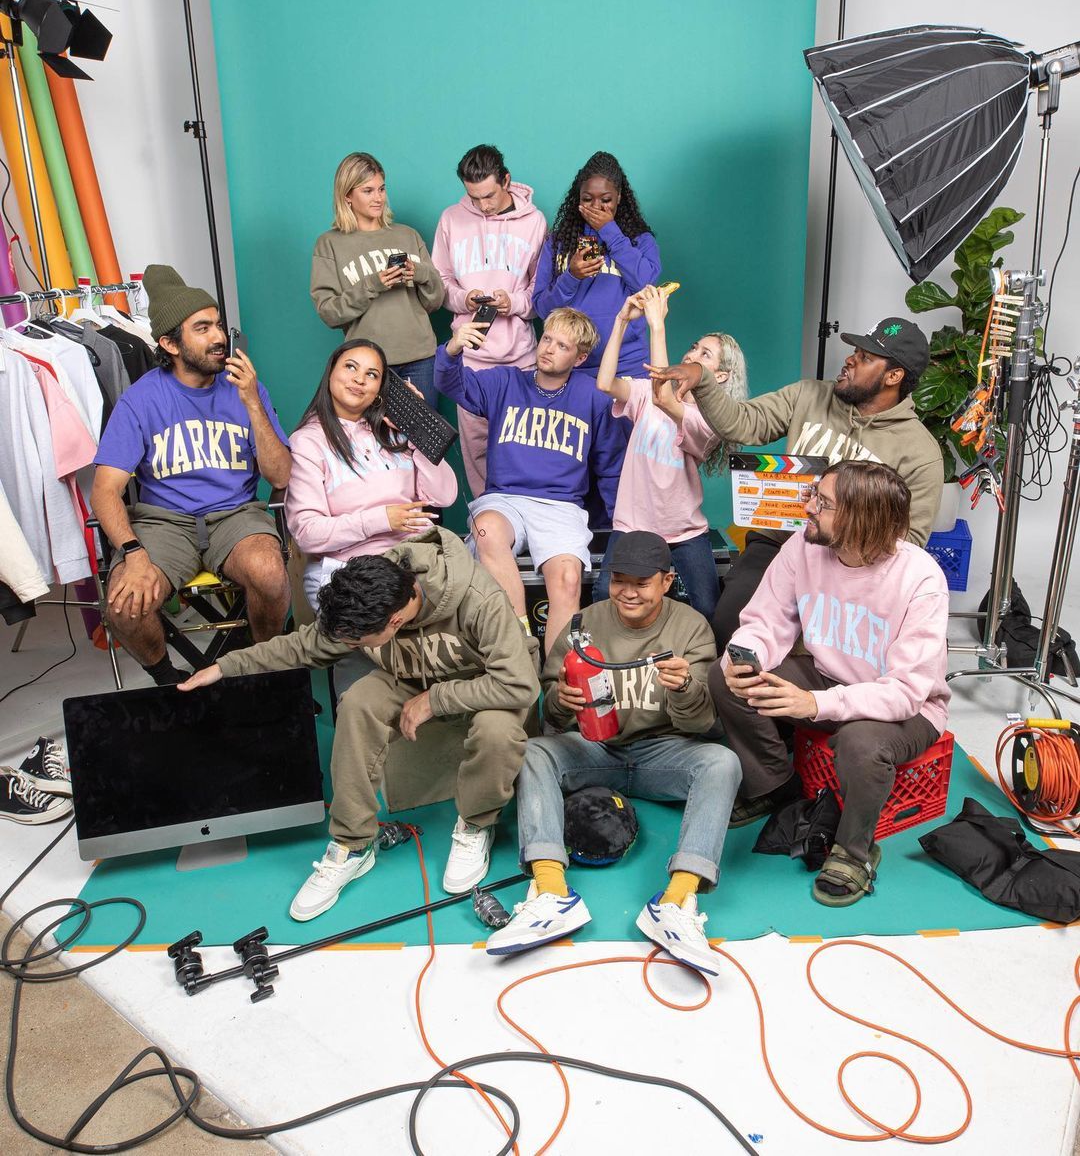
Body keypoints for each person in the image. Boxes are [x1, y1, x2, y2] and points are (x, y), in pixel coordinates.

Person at [179, 528, 540, 920]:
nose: (352, 648)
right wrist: (226, 667)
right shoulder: (367, 594)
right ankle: (353, 846)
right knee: (357, 703)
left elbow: (519, 683)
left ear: (396, 621)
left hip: (489, 682)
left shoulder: (477, 598)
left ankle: (476, 825)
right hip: (413, 678)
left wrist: (435, 700)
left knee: (496, 732)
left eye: (358, 644)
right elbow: (303, 646)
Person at [486, 531, 737, 975]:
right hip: (596, 749)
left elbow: (701, 724)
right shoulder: (583, 624)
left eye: (642, 583)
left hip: (662, 752)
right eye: (620, 580)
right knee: (534, 752)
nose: (628, 592)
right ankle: (551, 892)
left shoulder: (691, 628)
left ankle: (676, 900)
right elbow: (550, 711)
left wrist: (684, 688)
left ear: (667, 581)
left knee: (722, 762)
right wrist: (561, 700)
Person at [708, 460, 949, 906]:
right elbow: (766, 620)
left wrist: (814, 704)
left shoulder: (921, 578)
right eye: (814, 496)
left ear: (862, 519)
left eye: (823, 502)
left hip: (907, 709)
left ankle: (855, 851)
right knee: (726, 678)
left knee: (860, 743)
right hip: (825, 680)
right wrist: (746, 655)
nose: (807, 507)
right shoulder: (803, 546)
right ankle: (774, 787)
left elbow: (905, 691)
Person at [647, 315, 943, 650]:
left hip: (853, 568)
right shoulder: (809, 395)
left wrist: (844, 532)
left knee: (817, 647)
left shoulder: (920, 453)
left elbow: (908, 541)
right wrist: (702, 379)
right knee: (729, 625)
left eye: (865, 358)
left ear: (893, 376)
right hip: (778, 545)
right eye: (855, 352)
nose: (850, 360)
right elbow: (744, 423)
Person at [90, 265, 292, 686]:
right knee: (124, 605)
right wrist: (133, 553)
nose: (218, 337)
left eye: (218, 325)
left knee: (270, 574)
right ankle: (170, 684)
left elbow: (281, 476)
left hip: (235, 516)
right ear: (170, 344)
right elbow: (105, 490)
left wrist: (252, 403)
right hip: (164, 524)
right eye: (202, 328)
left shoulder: (247, 389)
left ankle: (259, 673)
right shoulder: (140, 399)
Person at [435, 307, 626, 654]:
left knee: (568, 578)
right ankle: (521, 646)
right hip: (504, 500)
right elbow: (450, 383)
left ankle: (555, 674)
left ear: (580, 357)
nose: (549, 349)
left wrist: (621, 526)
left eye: (562, 346)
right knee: (486, 529)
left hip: (560, 506)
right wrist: (452, 349)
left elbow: (610, 465)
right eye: (547, 339)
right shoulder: (506, 382)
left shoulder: (594, 396)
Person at [595, 283, 746, 619]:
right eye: (694, 347)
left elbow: (663, 398)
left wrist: (657, 324)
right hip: (633, 524)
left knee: (707, 607)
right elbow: (605, 383)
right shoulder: (646, 395)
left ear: (721, 376)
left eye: (705, 354)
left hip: (683, 529)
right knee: (603, 595)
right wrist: (621, 320)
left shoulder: (711, 422)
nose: (692, 355)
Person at [286, 338, 458, 609]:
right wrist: (382, 519)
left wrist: (417, 427)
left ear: (380, 389)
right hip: (352, 570)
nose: (359, 379)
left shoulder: (395, 433)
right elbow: (307, 533)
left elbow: (445, 495)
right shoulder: (308, 442)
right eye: (350, 367)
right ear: (330, 374)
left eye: (372, 374)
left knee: (479, 595)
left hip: (417, 558)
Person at [431, 144, 548, 498]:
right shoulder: (451, 219)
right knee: (478, 458)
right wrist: (463, 298)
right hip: (471, 361)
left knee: (527, 452)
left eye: (489, 196)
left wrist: (511, 302)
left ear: (506, 181)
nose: (482, 205)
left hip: (521, 360)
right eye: (474, 197)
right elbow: (439, 284)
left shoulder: (534, 222)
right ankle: (486, 523)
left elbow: (541, 293)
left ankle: (527, 520)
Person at [310, 152, 445, 406]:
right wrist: (372, 285)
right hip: (367, 365)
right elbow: (329, 312)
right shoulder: (329, 244)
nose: (378, 198)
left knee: (424, 432)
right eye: (368, 191)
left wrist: (420, 273)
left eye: (381, 189)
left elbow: (435, 301)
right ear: (347, 196)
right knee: (369, 432)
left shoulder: (408, 235)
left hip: (420, 359)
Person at [532, 151, 660, 378]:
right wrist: (571, 276)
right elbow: (542, 309)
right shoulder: (559, 242)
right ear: (578, 198)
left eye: (606, 200)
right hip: (570, 366)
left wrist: (609, 231)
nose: (596, 207)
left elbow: (645, 287)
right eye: (587, 199)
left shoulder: (640, 240)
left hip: (626, 365)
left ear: (619, 197)